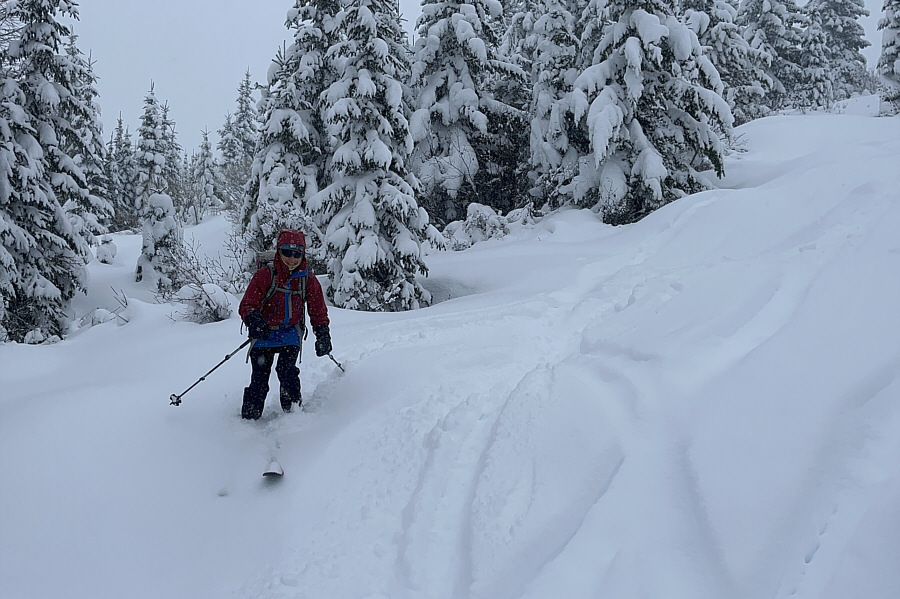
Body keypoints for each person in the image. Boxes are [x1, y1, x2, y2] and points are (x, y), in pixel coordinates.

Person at [238, 229, 332, 419]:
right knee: (259, 378)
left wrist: (322, 334)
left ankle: (293, 415)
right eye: (287, 252)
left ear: (303, 254)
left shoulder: (308, 280)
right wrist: (254, 321)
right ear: (279, 251)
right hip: (264, 333)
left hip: (290, 333)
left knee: (287, 372)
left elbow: (318, 310)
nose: (292, 259)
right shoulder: (265, 275)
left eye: (297, 254)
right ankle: (249, 420)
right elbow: (248, 304)